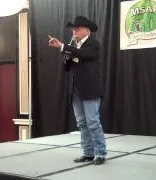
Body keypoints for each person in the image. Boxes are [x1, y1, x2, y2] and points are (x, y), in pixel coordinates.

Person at [48, 16, 107, 165]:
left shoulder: (94, 44)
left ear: (86, 31)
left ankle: (100, 153)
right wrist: (66, 55)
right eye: (73, 30)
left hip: (90, 89)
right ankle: (88, 152)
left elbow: (83, 55)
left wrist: (63, 47)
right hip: (75, 90)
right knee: (81, 123)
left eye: (77, 29)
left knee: (92, 121)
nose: (74, 32)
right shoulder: (73, 46)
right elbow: (67, 67)